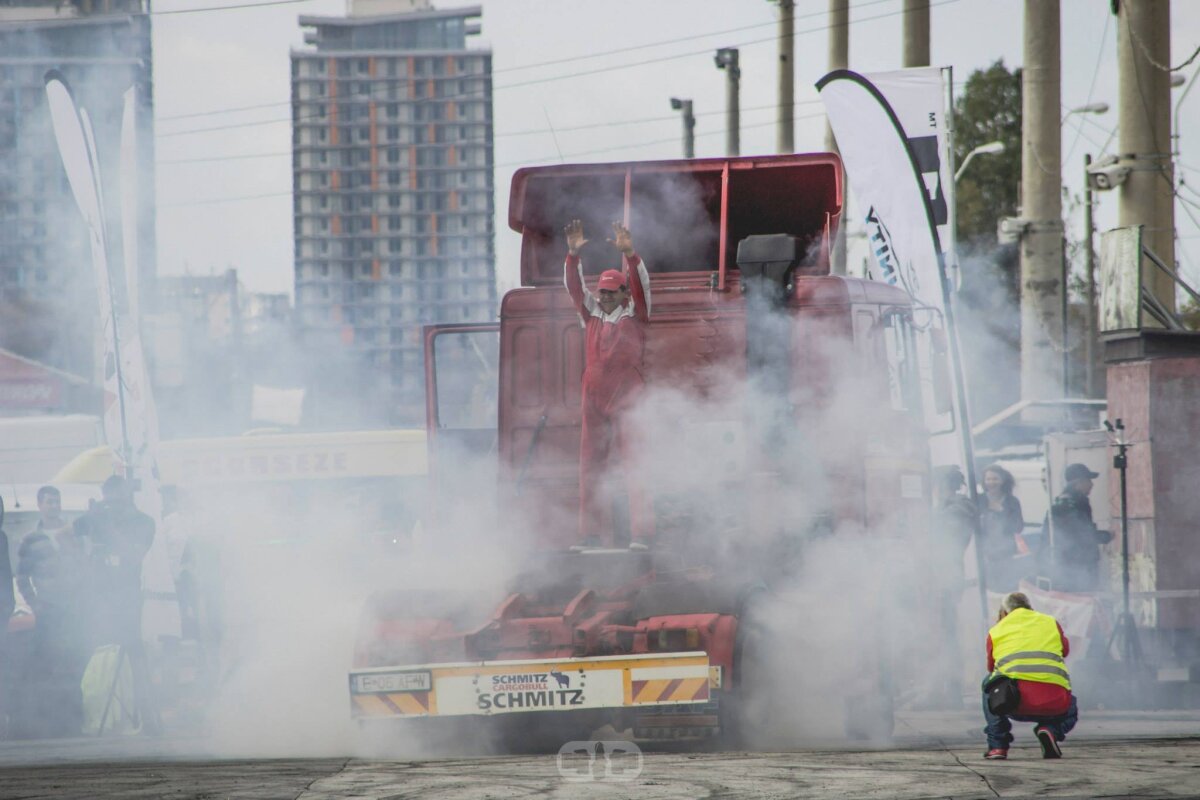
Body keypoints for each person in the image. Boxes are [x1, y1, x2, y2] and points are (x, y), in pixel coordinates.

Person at [563, 218, 653, 549]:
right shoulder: (591, 314)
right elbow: (574, 288)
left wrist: (630, 254)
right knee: (590, 465)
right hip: (594, 396)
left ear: (624, 293)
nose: (604, 298)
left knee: (635, 464)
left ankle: (641, 534)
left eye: (611, 293)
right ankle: (589, 535)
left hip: (629, 396)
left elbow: (642, 284)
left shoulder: (637, 313)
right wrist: (573, 255)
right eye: (601, 292)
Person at [13, 486, 88, 738]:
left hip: (74, 612)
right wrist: (36, 604)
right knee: (47, 667)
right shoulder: (31, 540)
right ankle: (49, 725)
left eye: (57, 501)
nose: (54, 506)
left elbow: (83, 567)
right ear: (40, 505)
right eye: (49, 502)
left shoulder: (72, 534)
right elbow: (22, 577)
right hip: (48, 613)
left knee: (73, 667)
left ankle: (74, 724)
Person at [982, 591, 1078, 760]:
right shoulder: (1050, 622)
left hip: (1013, 702)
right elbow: (1065, 651)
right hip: (1055, 703)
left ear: (1004, 611)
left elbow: (991, 667)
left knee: (988, 684)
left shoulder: (997, 630)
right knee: (1072, 707)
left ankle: (998, 746)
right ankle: (1050, 730)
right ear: (1030, 607)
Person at [927, 464, 978, 708]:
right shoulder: (945, 507)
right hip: (939, 575)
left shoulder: (960, 507)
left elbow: (946, 537)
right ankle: (942, 688)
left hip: (947, 576)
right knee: (940, 633)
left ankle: (950, 691)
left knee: (946, 634)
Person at [1042, 463, 1112, 593]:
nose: (1092, 485)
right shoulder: (1072, 502)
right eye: (1088, 480)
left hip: (1073, 561)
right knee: (1082, 597)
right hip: (1076, 563)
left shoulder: (1065, 501)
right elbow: (1078, 532)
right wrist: (1105, 536)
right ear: (1078, 482)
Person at [977, 465, 1024, 591]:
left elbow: (1018, 527)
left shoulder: (1012, 501)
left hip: (1005, 553)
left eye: (995, 479)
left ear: (1002, 480)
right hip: (984, 553)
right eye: (988, 479)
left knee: (1007, 588)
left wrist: (1001, 512)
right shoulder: (978, 500)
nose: (991, 482)